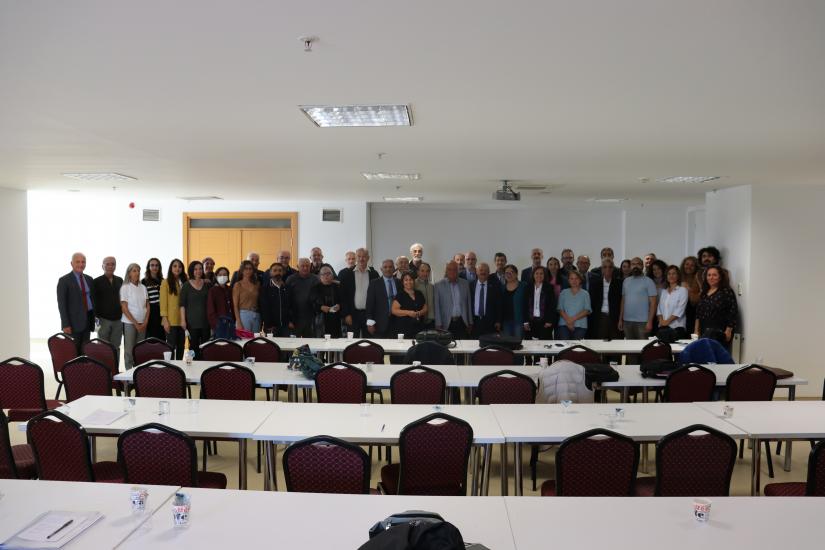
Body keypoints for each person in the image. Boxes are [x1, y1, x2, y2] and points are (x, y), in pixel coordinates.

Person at [56, 252, 95, 352]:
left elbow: (92, 299)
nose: (81, 264)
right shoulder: (64, 280)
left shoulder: (89, 279)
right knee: (73, 352)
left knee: (85, 351)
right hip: (73, 324)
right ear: (71, 263)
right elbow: (62, 305)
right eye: (78, 262)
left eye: (83, 262)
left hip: (87, 320)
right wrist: (65, 324)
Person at [695, 265, 738, 348]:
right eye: (709, 275)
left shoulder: (726, 291)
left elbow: (733, 312)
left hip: (720, 330)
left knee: (716, 353)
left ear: (720, 277)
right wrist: (696, 330)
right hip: (704, 328)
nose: (711, 277)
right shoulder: (704, 292)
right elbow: (698, 314)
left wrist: (728, 330)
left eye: (714, 275)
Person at [340, 247, 379, 337]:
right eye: (359, 256)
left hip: (369, 315)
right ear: (356, 258)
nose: (361, 259)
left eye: (364, 256)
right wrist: (346, 314)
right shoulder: (347, 274)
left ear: (368, 258)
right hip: (352, 314)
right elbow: (343, 296)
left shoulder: (374, 274)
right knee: (352, 342)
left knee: (368, 341)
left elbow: (377, 296)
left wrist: (373, 317)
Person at [619, 257, 658, 339]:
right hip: (627, 321)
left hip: (643, 322)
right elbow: (623, 301)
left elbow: (653, 303)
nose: (635, 266)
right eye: (633, 264)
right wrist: (620, 319)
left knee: (643, 346)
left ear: (642, 266)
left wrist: (650, 321)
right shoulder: (626, 281)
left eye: (638, 264)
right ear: (630, 266)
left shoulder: (649, 281)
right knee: (629, 346)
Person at [120, 263, 149, 370]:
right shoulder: (125, 287)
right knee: (129, 350)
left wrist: (146, 321)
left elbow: (148, 305)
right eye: (134, 271)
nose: (137, 273)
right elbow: (124, 308)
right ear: (129, 273)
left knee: (140, 350)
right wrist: (136, 324)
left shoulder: (143, 287)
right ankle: (128, 374)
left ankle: (139, 373)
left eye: (138, 271)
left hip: (143, 323)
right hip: (130, 323)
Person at [93, 256, 123, 357]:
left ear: (115, 266)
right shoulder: (96, 281)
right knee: (102, 348)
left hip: (118, 320)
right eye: (107, 264)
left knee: (116, 348)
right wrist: (96, 319)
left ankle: (115, 367)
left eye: (113, 264)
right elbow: (93, 301)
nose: (110, 266)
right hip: (103, 320)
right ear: (102, 266)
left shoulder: (120, 280)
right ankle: (103, 368)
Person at [434, 261, 473, 338]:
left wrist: (470, 322)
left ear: (458, 270)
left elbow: (468, 304)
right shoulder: (438, 285)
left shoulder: (465, 284)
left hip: (462, 322)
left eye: (455, 269)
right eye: (449, 269)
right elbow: (437, 307)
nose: (452, 272)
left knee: (463, 344)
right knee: (447, 344)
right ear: (446, 271)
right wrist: (438, 324)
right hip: (446, 323)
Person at [180, 260, 210, 357]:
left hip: (206, 322)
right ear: (191, 271)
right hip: (192, 323)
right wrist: (183, 321)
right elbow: (182, 305)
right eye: (195, 269)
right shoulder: (186, 285)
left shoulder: (207, 284)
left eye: (200, 269)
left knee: (206, 348)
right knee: (193, 349)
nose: (198, 271)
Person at [159, 258, 187, 358]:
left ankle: (179, 366)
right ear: (171, 268)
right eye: (175, 266)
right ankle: (170, 367)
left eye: (180, 267)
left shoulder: (185, 282)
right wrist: (165, 319)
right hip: (170, 321)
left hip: (183, 320)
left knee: (181, 346)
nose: (177, 268)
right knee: (170, 347)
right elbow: (163, 302)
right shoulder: (165, 282)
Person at [588, 259, 622, 340]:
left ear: (613, 269)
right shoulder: (595, 283)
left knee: (616, 343)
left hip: (615, 318)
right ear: (601, 269)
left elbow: (621, 302)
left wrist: (621, 319)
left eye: (610, 267)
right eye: (605, 267)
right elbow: (592, 303)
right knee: (599, 343)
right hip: (600, 318)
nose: (607, 269)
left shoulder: (619, 283)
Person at [366, 259, 399, 338]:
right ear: (381, 269)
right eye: (385, 267)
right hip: (379, 323)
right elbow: (369, 304)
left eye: (390, 267)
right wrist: (370, 322)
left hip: (397, 322)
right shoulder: (374, 283)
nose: (388, 269)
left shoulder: (399, 282)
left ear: (394, 269)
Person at [286, 258, 319, 337]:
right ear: (298, 266)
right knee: (294, 342)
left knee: (311, 341)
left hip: (311, 318)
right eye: (302, 266)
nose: (305, 268)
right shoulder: (291, 279)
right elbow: (286, 300)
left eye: (307, 266)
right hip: (295, 317)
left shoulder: (316, 279)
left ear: (310, 266)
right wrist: (288, 319)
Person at [522, 266, 557, 339]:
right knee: (529, 343)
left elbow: (552, 305)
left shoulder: (549, 287)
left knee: (545, 343)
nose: (539, 275)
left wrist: (549, 320)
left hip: (545, 321)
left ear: (545, 275)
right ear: (533, 275)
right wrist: (525, 322)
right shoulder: (527, 287)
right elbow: (524, 305)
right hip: (530, 321)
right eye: (537, 273)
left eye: (541, 273)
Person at [556, 270, 591, 340]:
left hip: (580, 325)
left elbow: (587, 310)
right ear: (568, 280)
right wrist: (568, 321)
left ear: (580, 280)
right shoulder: (563, 293)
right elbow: (560, 309)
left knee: (576, 345)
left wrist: (571, 320)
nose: (574, 281)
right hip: (564, 324)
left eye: (576, 278)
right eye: (571, 279)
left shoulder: (585, 294)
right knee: (565, 345)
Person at [391, 272, 427, 339]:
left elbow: (425, 308)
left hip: (419, 328)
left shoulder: (419, 293)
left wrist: (419, 313)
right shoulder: (400, 295)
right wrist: (408, 313)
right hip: (404, 329)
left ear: (414, 281)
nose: (408, 282)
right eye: (406, 280)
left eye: (410, 279)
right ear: (402, 282)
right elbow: (394, 310)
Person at [470, 263, 501, 337]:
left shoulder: (495, 285)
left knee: (489, 342)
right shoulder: (470, 285)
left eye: (486, 270)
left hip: (490, 322)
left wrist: (498, 320)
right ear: (476, 272)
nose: (483, 272)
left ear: (489, 272)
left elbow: (499, 305)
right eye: (481, 270)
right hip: (474, 322)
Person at [260, 262, 290, 336]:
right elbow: (264, 308)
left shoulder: (287, 288)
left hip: (286, 326)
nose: (277, 273)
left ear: (283, 272)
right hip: (271, 327)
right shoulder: (265, 288)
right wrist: (268, 324)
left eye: (280, 270)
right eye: (275, 270)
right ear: (270, 273)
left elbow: (291, 305)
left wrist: (291, 321)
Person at [311, 265, 343, 337]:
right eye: (323, 274)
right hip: (321, 320)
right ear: (320, 276)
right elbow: (311, 303)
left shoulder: (338, 287)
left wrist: (339, 305)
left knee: (336, 340)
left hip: (336, 320)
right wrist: (321, 307)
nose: (326, 276)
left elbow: (343, 301)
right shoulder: (315, 288)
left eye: (328, 274)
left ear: (332, 275)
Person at [657, 265, 688, 335]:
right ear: (666, 276)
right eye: (669, 274)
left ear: (678, 276)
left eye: (674, 273)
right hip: (663, 327)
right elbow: (659, 309)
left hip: (677, 327)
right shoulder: (664, 292)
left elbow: (680, 310)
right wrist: (661, 321)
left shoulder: (683, 290)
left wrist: (667, 322)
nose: (671, 276)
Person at [233, 260, 261, 333]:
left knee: (256, 338)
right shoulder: (238, 285)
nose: (248, 271)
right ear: (242, 270)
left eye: (250, 269)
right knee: (244, 338)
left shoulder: (257, 284)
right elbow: (235, 306)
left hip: (256, 315)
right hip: (243, 315)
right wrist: (238, 321)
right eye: (246, 269)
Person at [141, 258, 165, 340]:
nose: (154, 267)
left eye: (156, 265)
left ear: (159, 267)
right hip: (150, 312)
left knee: (162, 338)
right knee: (151, 338)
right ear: (148, 267)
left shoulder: (163, 281)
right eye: (152, 265)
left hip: (162, 312)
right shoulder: (143, 282)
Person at [501, 264, 525, 338]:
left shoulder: (523, 286)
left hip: (519, 321)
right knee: (507, 343)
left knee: (518, 342)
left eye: (511, 272)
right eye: (507, 273)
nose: (509, 274)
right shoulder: (502, 288)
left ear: (516, 274)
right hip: (505, 321)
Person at [207, 266, 234, 332]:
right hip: (219, 324)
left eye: (225, 275)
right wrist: (216, 324)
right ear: (216, 277)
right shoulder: (213, 290)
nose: (222, 276)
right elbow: (211, 309)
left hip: (231, 322)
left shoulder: (230, 289)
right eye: (220, 275)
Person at [680, 256, 701, 334]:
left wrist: (688, 289)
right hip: (679, 313)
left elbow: (697, 299)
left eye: (692, 265)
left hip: (693, 312)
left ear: (696, 267)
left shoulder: (698, 279)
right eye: (687, 264)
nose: (689, 267)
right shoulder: (678, 278)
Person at [414, 262, 435, 330]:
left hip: (431, 321)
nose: (425, 273)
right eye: (422, 271)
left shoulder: (432, 286)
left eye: (427, 271)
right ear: (418, 272)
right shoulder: (413, 285)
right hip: (418, 320)